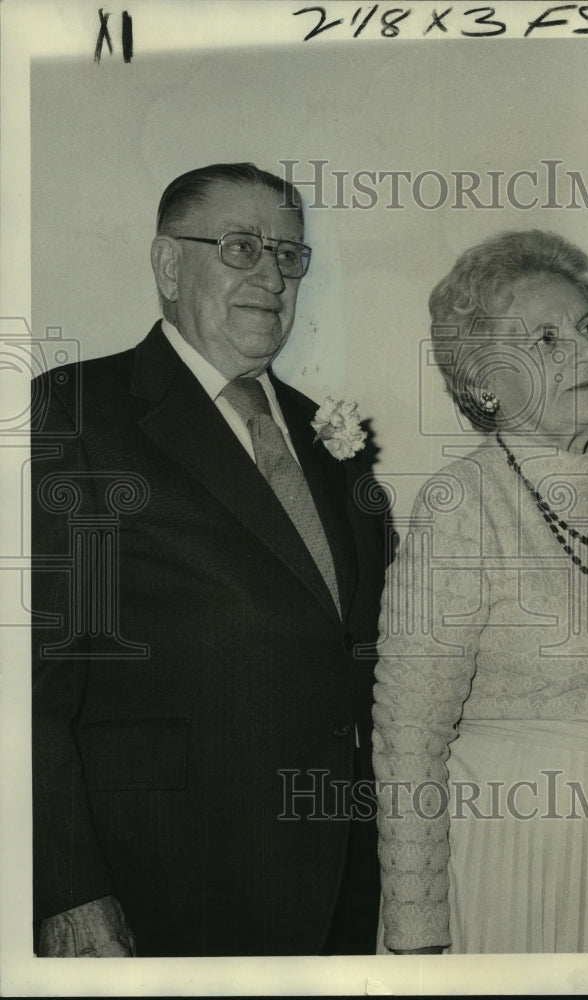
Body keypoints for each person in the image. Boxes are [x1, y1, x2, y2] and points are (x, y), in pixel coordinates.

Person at [31, 163, 389, 957]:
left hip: (338, 893)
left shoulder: (334, 448)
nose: (271, 274)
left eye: (290, 255)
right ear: (167, 265)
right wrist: (66, 888)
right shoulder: (78, 414)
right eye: (239, 247)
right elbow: (26, 685)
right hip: (159, 890)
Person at [372, 230, 588, 954]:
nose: (587, 350)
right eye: (544, 338)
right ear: (481, 383)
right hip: (519, 860)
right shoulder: (462, 504)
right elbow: (409, 735)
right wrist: (417, 933)